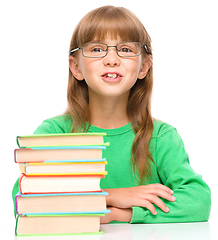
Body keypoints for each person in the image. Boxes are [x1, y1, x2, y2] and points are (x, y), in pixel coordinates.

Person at [12, 5, 211, 224]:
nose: (112, 59)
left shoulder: (160, 137)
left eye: (125, 49)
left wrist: (123, 214)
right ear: (75, 67)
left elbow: (198, 200)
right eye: (97, 49)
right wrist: (112, 195)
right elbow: (25, 198)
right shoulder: (54, 133)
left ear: (143, 67)